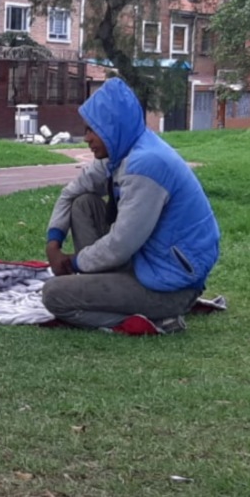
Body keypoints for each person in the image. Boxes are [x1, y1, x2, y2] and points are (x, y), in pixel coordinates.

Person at [42, 78, 220, 334]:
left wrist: (74, 262)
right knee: (83, 204)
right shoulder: (121, 152)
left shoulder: (146, 165)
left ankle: (155, 318)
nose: (86, 139)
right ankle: (112, 293)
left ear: (113, 128)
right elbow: (70, 193)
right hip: (144, 263)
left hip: (171, 287)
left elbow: (120, 245)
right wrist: (53, 244)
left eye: (93, 130)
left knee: (54, 295)